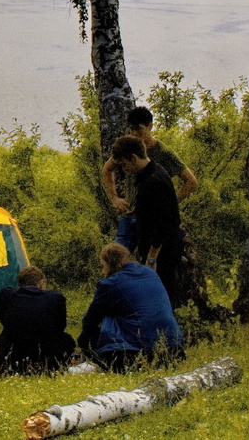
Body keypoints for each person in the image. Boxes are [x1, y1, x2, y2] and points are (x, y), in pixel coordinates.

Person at [77, 243, 183, 372]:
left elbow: (90, 320)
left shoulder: (110, 284)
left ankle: (110, 365)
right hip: (174, 346)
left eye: (102, 265)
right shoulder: (149, 272)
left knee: (87, 336)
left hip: (142, 351)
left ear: (107, 264)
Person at [106, 134, 185, 303]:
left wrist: (151, 258)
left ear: (134, 158)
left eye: (124, 164)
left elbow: (163, 223)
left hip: (162, 249)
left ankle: (163, 328)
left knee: (159, 295)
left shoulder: (153, 182)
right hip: (155, 245)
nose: (124, 169)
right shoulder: (153, 172)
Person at [0, 266, 76, 374]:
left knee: (6, 335)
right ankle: (54, 365)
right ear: (42, 283)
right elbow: (60, 326)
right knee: (65, 339)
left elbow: (4, 320)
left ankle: (7, 367)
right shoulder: (55, 298)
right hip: (45, 352)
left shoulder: (7, 295)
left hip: (17, 351)